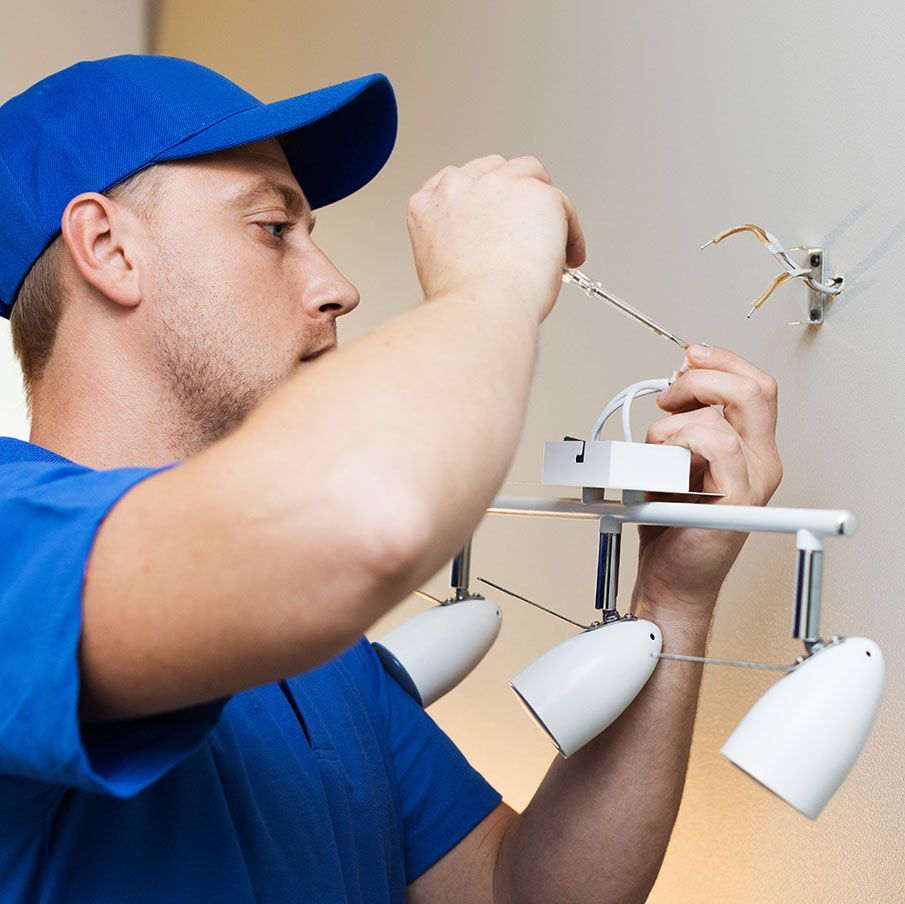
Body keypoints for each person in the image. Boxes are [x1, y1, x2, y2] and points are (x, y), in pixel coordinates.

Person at [0, 55, 782, 903]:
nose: (337, 287)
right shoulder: (17, 550)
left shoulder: (315, 646)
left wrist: (672, 600)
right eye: (273, 228)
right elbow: (366, 519)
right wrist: (491, 282)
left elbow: (517, 892)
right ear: (110, 249)